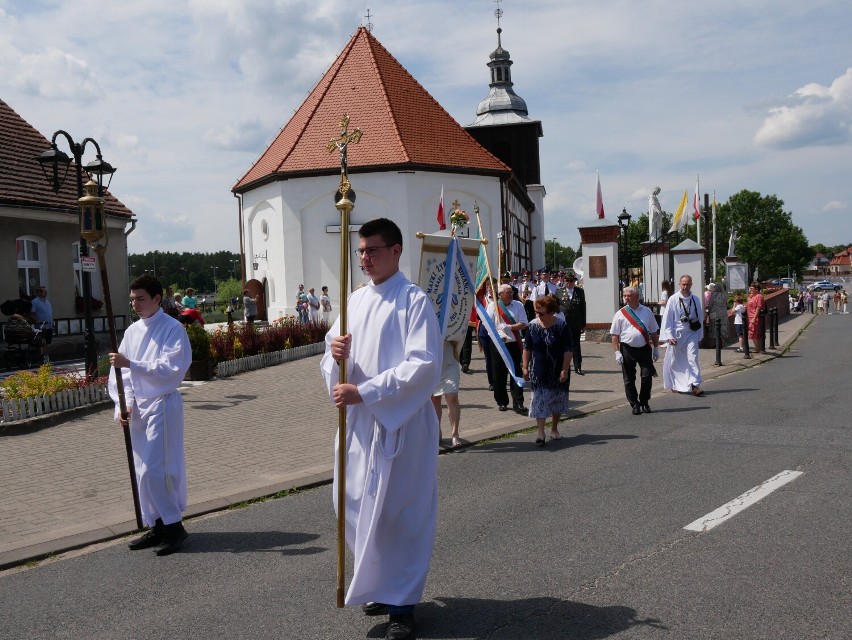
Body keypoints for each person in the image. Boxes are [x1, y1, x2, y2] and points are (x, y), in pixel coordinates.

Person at [320, 218, 441, 640]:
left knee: (398, 514)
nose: (365, 258)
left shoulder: (413, 301)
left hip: (400, 424)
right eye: (360, 251)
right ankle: (379, 583)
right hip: (359, 424)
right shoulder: (352, 301)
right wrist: (332, 354)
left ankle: (402, 606)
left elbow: (424, 365)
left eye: (372, 250)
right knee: (351, 504)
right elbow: (330, 363)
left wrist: (367, 391)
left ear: (396, 251)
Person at [108, 274, 192, 556]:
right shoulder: (132, 332)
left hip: (162, 404)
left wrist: (130, 363)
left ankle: (174, 527)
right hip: (139, 410)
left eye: (140, 299)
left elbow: (170, 369)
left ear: (157, 299)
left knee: (157, 469)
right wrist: (124, 405)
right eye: (132, 299)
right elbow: (120, 377)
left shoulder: (173, 329)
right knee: (142, 470)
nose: (135, 304)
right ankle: (155, 524)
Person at [522, 295, 572, 445]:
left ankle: (554, 428)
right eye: (537, 312)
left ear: (551, 312)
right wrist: (525, 367)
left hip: (558, 368)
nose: (538, 315)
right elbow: (527, 348)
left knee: (557, 399)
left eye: (541, 313)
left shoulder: (562, 326)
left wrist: (565, 369)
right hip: (539, 369)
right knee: (539, 399)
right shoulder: (532, 326)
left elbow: (568, 350)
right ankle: (540, 432)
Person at [610, 286, 660, 415]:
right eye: (624, 295)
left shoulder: (647, 312)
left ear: (637, 297)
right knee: (629, 379)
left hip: (644, 348)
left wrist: (656, 348)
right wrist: (617, 352)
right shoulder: (620, 313)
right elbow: (614, 335)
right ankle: (634, 404)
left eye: (628, 295)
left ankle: (644, 402)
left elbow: (654, 331)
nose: (625, 298)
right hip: (627, 348)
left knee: (647, 375)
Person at [486, 284, 528, 415]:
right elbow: (487, 325)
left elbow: (524, 323)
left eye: (511, 292)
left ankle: (518, 402)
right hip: (498, 345)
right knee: (499, 374)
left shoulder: (518, 305)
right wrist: (498, 333)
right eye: (507, 292)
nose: (510, 294)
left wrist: (509, 327)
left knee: (516, 373)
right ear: (500, 295)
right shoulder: (493, 306)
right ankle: (502, 401)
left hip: (513, 344)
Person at [659, 275, 704, 396]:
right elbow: (667, 319)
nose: (685, 287)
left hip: (691, 333)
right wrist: (669, 336)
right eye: (683, 284)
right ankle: (676, 384)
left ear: (691, 285)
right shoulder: (673, 299)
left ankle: (695, 384)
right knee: (675, 361)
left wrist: (700, 336)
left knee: (692, 357)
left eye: (688, 284)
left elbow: (700, 318)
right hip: (677, 335)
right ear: (679, 284)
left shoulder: (695, 299)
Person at [555, 272, 586, 375]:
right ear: (564, 281)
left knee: (576, 346)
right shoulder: (559, 292)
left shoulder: (580, 292)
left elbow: (583, 308)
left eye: (571, 281)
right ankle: (564, 366)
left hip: (576, 323)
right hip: (563, 323)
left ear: (574, 281)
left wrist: (583, 324)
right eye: (567, 281)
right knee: (563, 346)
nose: (569, 283)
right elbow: (555, 308)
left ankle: (578, 366)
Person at [432, 341, 462, 447]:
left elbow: (459, 334)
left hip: (450, 361)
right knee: (435, 399)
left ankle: (455, 434)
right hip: (433, 363)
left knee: (452, 397)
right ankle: (437, 431)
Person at [28, 286, 53, 364]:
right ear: (39, 292)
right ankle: (42, 358)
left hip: (49, 326)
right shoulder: (35, 302)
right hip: (41, 327)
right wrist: (36, 320)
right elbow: (30, 313)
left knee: (48, 343)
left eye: (46, 291)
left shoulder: (47, 302)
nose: (46, 292)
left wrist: (53, 324)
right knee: (42, 343)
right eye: (43, 291)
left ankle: (46, 357)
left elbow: (51, 314)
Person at [747, 283, 766, 353]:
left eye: (752, 288)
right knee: (753, 333)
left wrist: (754, 318)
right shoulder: (753, 296)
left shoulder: (759, 297)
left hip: (755, 318)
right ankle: (758, 348)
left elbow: (758, 308)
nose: (750, 290)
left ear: (756, 289)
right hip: (751, 317)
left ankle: (757, 349)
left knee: (755, 333)